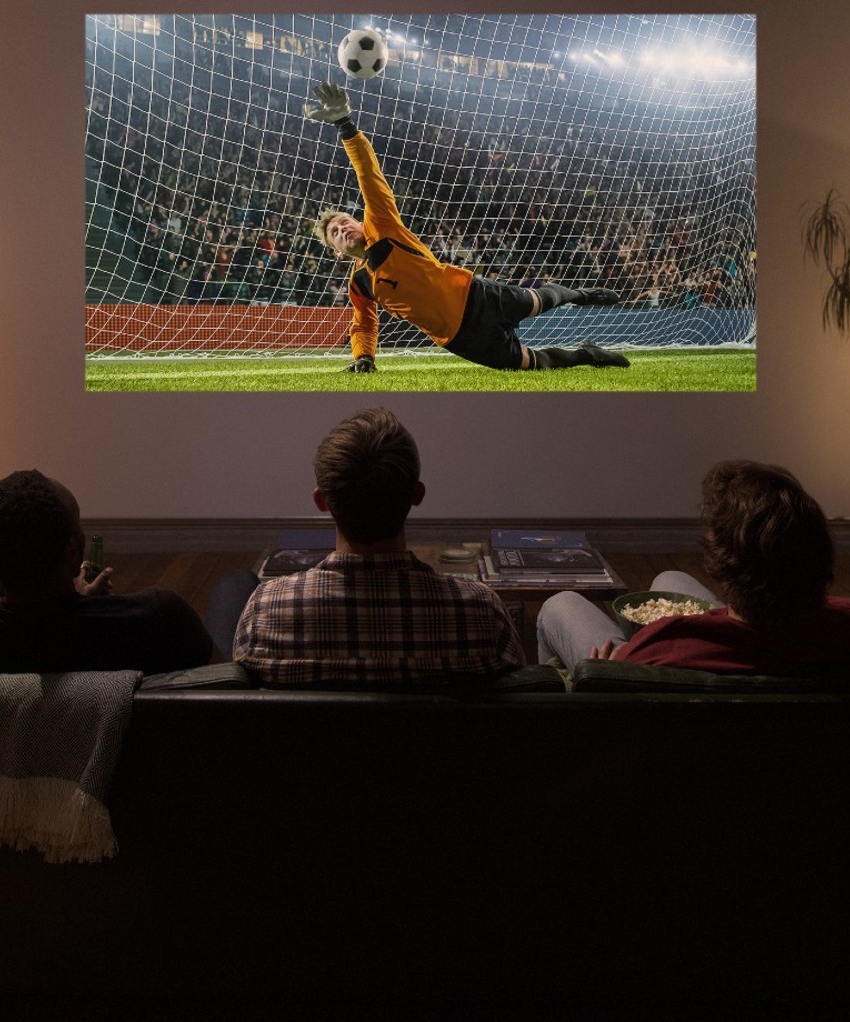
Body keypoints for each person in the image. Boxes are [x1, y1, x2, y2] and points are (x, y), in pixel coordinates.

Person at [304, 82, 632, 374]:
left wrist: (345, 125)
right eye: (335, 232)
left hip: (475, 295)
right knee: (528, 364)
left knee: (537, 301)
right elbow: (363, 324)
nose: (343, 228)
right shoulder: (360, 284)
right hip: (458, 337)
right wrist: (365, 357)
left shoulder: (383, 225)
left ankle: (582, 294)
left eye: (345, 221)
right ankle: (589, 356)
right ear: (336, 252)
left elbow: (368, 172)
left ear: (359, 221)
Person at [536, 460, 850, 685]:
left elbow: (620, 696)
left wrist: (601, 676)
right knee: (668, 580)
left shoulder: (668, 642)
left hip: (644, 683)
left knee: (560, 604)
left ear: (723, 565)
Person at [233, 407, 524, 684]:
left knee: (231, 587)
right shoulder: (483, 613)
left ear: (321, 501)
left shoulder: (265, 611)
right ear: (417, 494)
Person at [0, 470, 212, 697]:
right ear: (73, 551)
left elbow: (45, 632)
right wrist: (79, 606)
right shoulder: (161, 619)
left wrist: (73, 603)